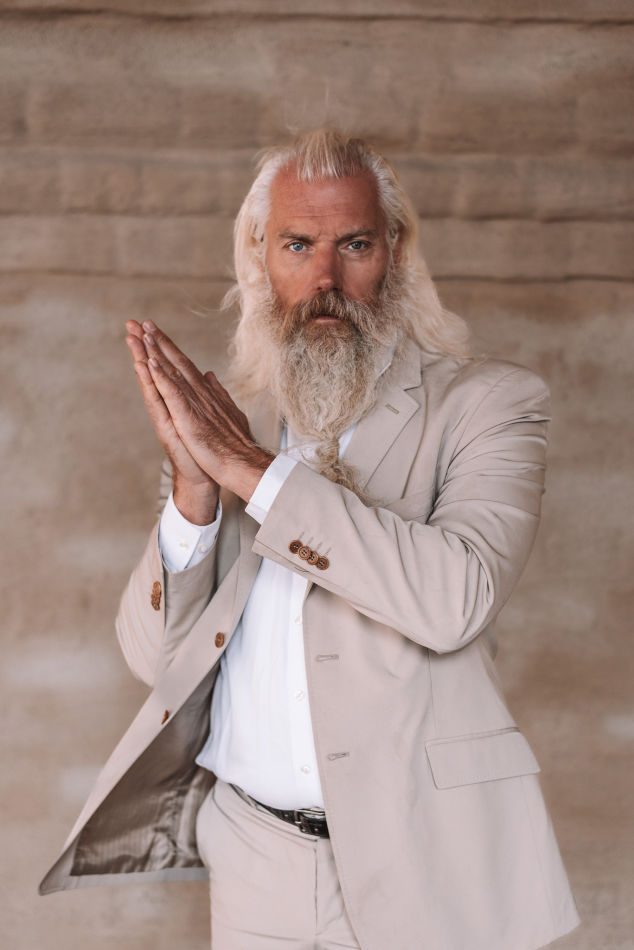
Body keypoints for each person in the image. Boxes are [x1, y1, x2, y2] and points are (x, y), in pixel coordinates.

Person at [40, 129, 580, 950]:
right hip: (254, 856)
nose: (326, 279)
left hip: (427, 858)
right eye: (298, 245)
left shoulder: (490, 405)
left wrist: (255, 474)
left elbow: (455, 602)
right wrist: (194, 494)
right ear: (262, 258)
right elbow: (157, 661)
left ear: (394, 254)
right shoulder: (239, 422)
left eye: (354, 244)